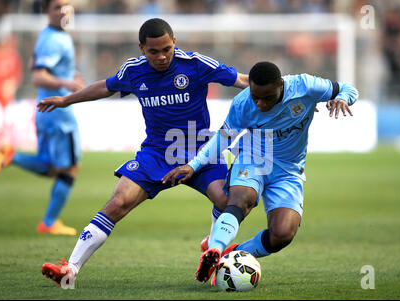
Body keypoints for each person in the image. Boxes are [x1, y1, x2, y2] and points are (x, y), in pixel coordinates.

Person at [38, 18, 249, 285]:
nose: (161, 57)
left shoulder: (196, 64)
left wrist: (284, 93)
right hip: (157, 153)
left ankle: (213, 245)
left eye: (166, 50)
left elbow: (241, 79)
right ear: (141, 48)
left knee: (230, 202)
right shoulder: (133, 71)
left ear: (174, 42)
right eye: (153, 52)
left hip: (200, 153)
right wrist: (67, 100)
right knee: (118, 202)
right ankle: (70, 269)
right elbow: (106, 86)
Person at [162, 61, 359, 283]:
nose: (260, 103)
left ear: (281, 86)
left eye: (267, 98)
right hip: (253, 159)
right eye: (256, 96)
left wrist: (343, 98)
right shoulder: (243, 103)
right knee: (240, 200)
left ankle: (229, 255)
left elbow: (348, 88)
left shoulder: (305, 86)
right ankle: (214, 250)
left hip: (288, 170)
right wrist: (193, 165)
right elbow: (224, 138)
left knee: (282, 235)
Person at [0, 0, 84, 235]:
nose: (64, 11)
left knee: (52, 166)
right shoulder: (56, 38)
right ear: (45, 11)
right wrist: (66, 82)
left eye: (67, 6)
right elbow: (37, 76)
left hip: (45, 110)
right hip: (59, 112)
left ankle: (11, 155)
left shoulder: (48, 35)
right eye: (57, 7)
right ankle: (49, 222)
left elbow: (35, 63)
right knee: (71, 167)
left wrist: (67, 75)